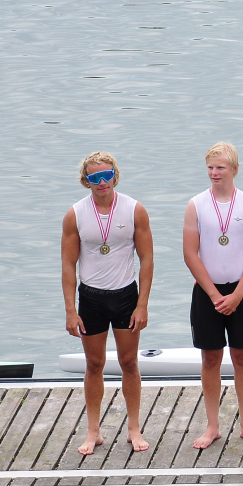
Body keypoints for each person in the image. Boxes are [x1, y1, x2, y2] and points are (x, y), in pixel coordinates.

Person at [62, 151, 153, 455]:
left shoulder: (134, 210)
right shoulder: (75, 214)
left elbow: (147, 259)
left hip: (125, 296)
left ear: (115, 175)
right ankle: (93, 431)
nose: (102, 182)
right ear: (85, 180)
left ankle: (134, 428)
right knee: (94, 364)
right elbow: (68, 265)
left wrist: (142, 304)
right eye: (95, 177)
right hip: (91, 298)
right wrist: (70, 310)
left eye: (107, 175)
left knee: (129, 362)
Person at [183, 142, 243, 449]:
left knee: (242, 358)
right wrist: (215, 294)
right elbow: (190, 254)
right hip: (207, 292)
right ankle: (213, 426)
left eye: (220, 167)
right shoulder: (196, 205)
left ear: (234, 169)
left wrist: (237, 295)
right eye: (210, 167)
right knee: (210, 359)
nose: (214, 173)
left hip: (241, 291)